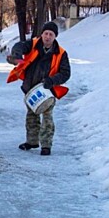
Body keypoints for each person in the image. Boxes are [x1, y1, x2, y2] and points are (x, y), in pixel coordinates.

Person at [6, 21, 70, 156]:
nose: (47, 37)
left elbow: (65, 73)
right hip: (31, 88)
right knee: (31, 115)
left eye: (51, 34)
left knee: (47, 117)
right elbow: (19, 46)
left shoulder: (61, 53)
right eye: (46, 33)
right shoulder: (33, 44)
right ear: (42, 34)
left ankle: (46, 145)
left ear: (55, 37)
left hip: (48, 90)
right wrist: (17, 55)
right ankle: (32, 141)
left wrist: (52, 81)